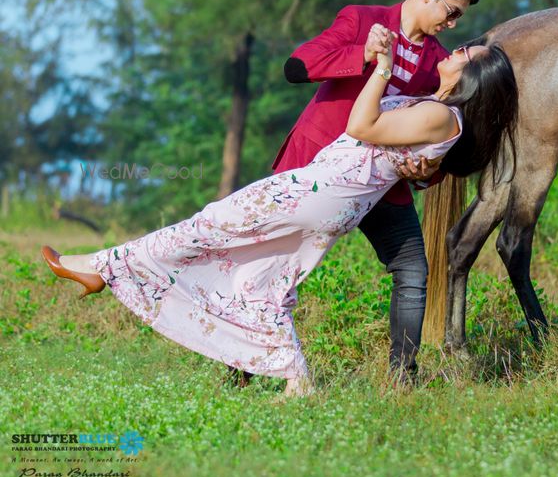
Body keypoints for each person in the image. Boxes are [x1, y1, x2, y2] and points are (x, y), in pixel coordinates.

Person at [41, 42, 518, 398]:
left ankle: (101, 265)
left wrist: (383, 69)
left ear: (473, 77)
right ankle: (296, 377)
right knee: (266, 279)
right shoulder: (435, 109)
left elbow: (361, 126)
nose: (456, 48)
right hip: (329, 193)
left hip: (321, 192)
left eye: (465, 53)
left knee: (210, 225)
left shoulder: (441, 116)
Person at [271, 0, 480, 384]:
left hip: (380, 183)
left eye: (458, 17)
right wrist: (363, 53)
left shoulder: (440, 64)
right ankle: (242, 370)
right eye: (452, 12)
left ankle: (402, 379)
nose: (452, 24)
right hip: (315, 167)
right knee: (274, 268)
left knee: (413, 269)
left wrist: (425, 172)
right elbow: (296, 67)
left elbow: (435, 143)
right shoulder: (361, 20)